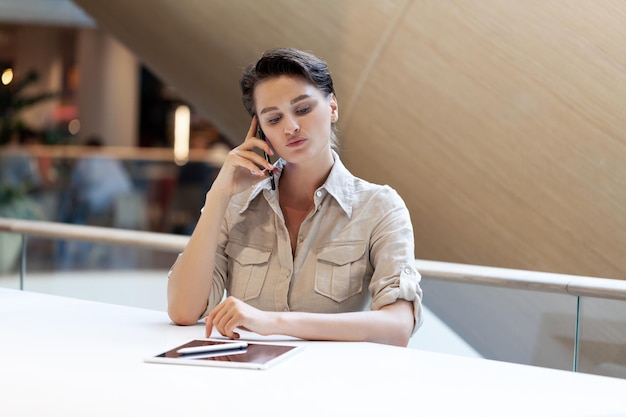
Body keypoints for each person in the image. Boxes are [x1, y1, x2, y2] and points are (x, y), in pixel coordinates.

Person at [167, 48, 422, 347]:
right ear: (260, 131)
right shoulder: (237, 203)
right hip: (244, 382)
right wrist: (218, 194)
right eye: (274, 119)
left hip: (328, 385)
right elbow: (183, 311)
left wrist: (272, 323)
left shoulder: (379, 206)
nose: (290, 127)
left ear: (333, 107)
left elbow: (398, 325)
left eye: (302, 110)